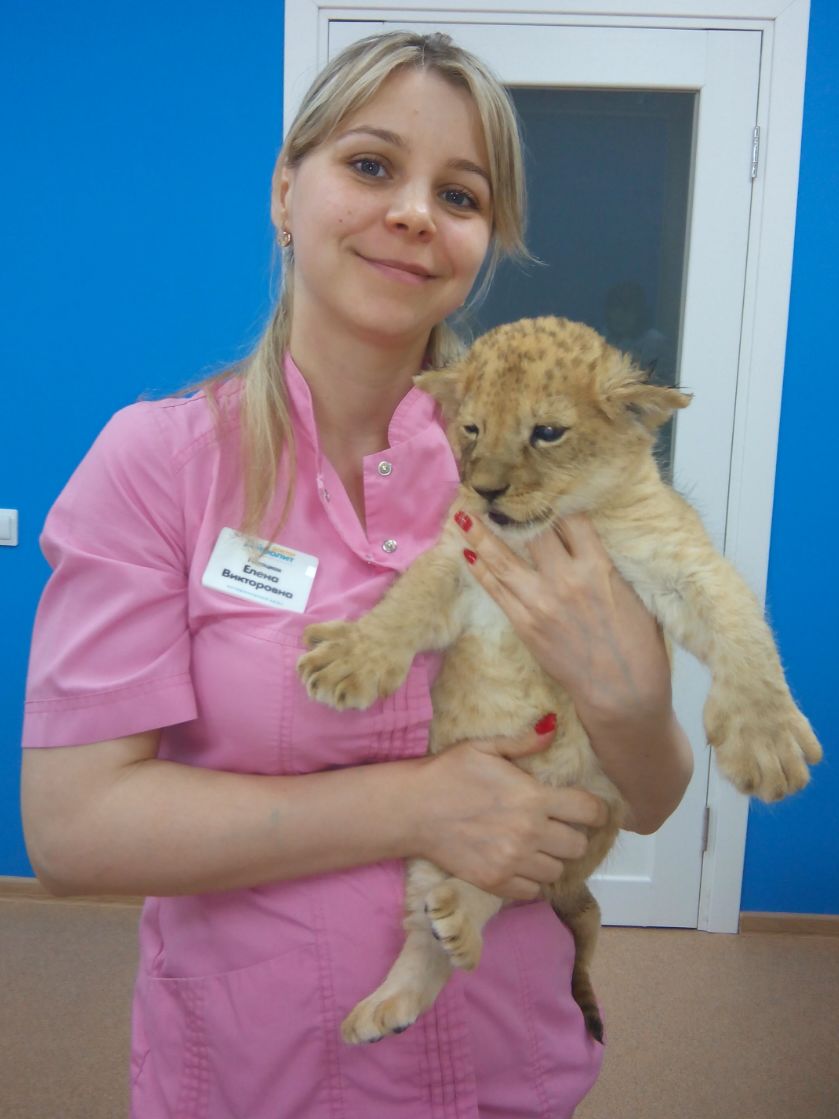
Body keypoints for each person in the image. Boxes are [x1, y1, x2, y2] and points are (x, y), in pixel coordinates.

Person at [21, 31, 693, 1119]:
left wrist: (627, 700)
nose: (416, 214)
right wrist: (413, 805)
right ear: (286, 190)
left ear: (485, 240)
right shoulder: (159, 468)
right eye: (371, 166)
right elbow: (72, 828)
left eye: (460, 194)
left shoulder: (542, 478)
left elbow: (655, 796)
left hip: (503, 1063)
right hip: (260, 1077)